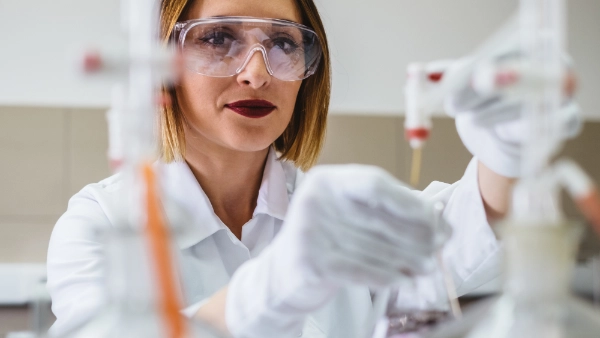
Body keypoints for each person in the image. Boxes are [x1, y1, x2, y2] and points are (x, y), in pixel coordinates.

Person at [46, 0, 579, 337]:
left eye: (282, 43)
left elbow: (452, 238)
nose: (257, 73)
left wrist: (506, 151)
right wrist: (279, 283)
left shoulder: (332, 213)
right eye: (218, 39)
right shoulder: (101, 222)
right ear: (166, 65)